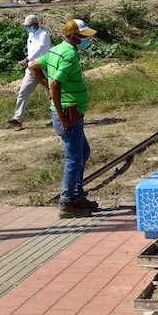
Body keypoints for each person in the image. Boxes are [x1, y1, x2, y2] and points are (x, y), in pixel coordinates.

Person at [30, 19, 99, 217]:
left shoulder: (56, 50)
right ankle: (67, 202)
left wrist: (49, 89)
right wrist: (62, 116)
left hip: (70, 111)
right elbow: (55, 83)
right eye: (84, 37)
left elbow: (34, 68)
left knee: (83, 152)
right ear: (74, 37)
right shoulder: (68, 55)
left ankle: (77, 195)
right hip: (69, 113)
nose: (87, 41)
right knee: (74, 158)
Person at [7, 15, 51, 130]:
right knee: (23, 93)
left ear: (35, 24)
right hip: (32, 69)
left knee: (50, 93)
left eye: (29, 26)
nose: (27, 28)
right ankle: (17, 119)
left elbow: (40, 49)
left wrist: (26, 59)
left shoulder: (43, 35)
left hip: (43, 68)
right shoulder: (31, 34)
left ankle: (57, 117)